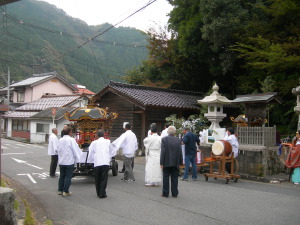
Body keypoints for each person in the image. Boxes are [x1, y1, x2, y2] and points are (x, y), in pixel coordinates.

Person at [87, 129, 117, 198]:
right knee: (104, 178)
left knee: (97, 178)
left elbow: (90, 152)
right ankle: (102, 193)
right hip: (105, 161)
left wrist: (90, 160)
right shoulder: (107, 142)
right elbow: (112, 150)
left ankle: (98, 192)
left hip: (97, 162)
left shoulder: (94, 143)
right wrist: (110, 156)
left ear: (97, 135)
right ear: (104, 135)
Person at [57, 126, 82, 196]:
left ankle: (60, 190)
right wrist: (79, 157)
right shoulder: (71, 140)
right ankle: (66, 191)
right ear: (70, 132)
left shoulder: (60, 140)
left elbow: (57, 150)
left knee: (62, 176)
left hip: (62, 161)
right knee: (68, 176)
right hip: (69, 161)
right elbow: (75, 149)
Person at [160, 126, 183, 198]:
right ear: (175, 132)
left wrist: (161, 162)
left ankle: (165, 193)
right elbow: (180, 152)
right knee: (175, 177)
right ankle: (175, 193)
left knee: (166, 177)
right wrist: (180, 162)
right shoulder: (178, 140)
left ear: (168, 132)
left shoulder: (164, 139)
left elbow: (163, 152)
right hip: (175, 162)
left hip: (166, 161)